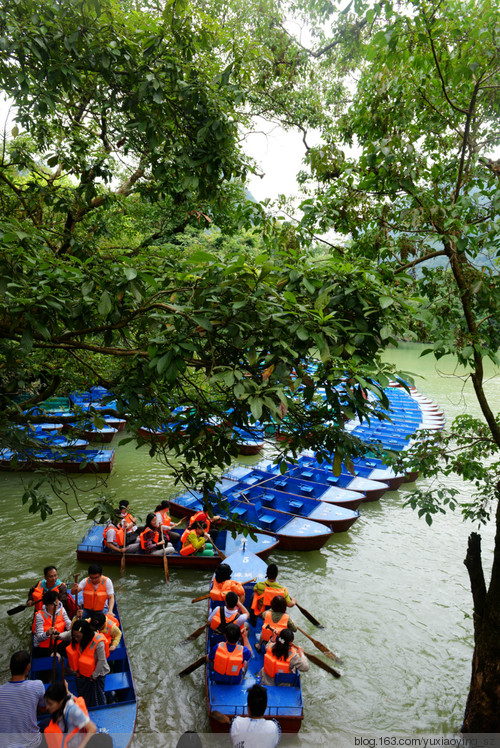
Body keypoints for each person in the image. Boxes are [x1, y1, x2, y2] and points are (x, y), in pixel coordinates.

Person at [0, 650, 46, 748]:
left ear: (10, 667)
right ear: (28, 668)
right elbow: (43, 709)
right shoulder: (37, 685)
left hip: (5, 745)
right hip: (32, 744)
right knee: (49, 722)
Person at [63, 620, 109, 708]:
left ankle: (100, 710)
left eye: (78, 637)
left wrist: (94, 675)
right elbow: (67, 635)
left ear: (85, 635)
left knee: (97, 697)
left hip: (96, 675)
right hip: (82, 673)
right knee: (83, 695)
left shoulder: (98, 642)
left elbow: (101, 660)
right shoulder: (75, 636)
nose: (75, 639)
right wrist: (58, 636)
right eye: (74, 636)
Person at [44, 680, 100, 748]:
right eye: (46, 702)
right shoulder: (61, 704)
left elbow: (92, 728)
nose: (47, 706)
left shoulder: (73, 711)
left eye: (50, 704)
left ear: (60, 701)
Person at [230, 684, 281, 748]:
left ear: (248, 708)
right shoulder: (274, 727)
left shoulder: (236, 723)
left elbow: (232, 741)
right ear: (266, 707)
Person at [32, 590, 71, 654]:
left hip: (57, 641)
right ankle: (52, 653)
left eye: (57, 602)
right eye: (52, 604)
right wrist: (47, 633)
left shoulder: (62, 609)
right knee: (37, 652)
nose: (56, 606)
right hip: (43, 646)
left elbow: (68, 623)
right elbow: (39, 637)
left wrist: (73, 629)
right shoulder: (40, 616)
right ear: (46, 605)